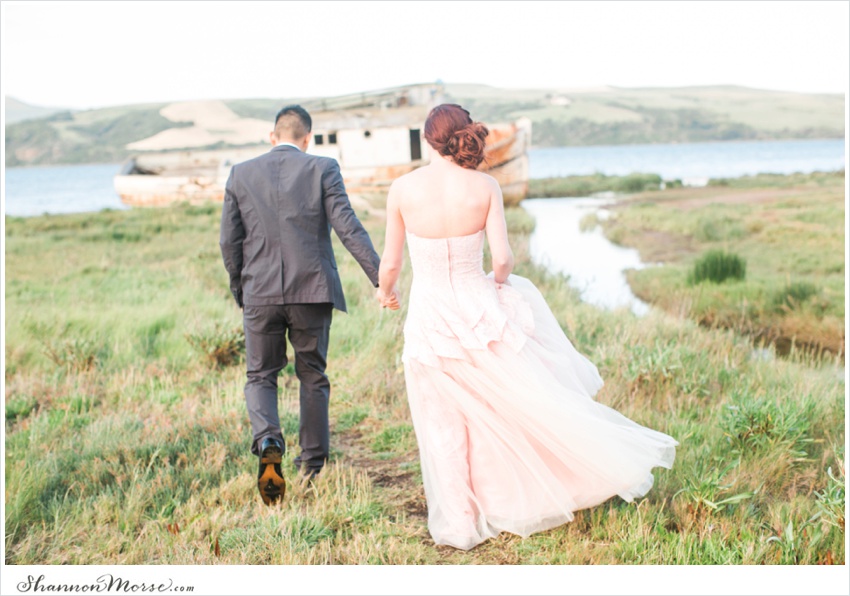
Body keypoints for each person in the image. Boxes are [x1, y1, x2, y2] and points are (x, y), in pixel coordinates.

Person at [376, 104, 678, 550]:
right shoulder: (485, 187)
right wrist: (498, 287)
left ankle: (460, 521)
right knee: (498, 409)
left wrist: (387, 293)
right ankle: (507, 502)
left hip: (430, 313)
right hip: (479, 310)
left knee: (443, 420)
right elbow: (502, 259)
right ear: (463, 137)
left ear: (427, 140)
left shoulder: (402, 189)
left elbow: (391, 262)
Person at [220, 105, 385, 506]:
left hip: (259, 293)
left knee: (260, 375)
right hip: (312, 290)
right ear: (307, 138)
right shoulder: (323, 168)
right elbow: (348, 228)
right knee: (312, 375)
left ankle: (269, 439)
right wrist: (382, 277)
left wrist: (241, 287)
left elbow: (229, 241)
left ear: (272, 136)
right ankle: (311, 464)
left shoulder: (241, 173)